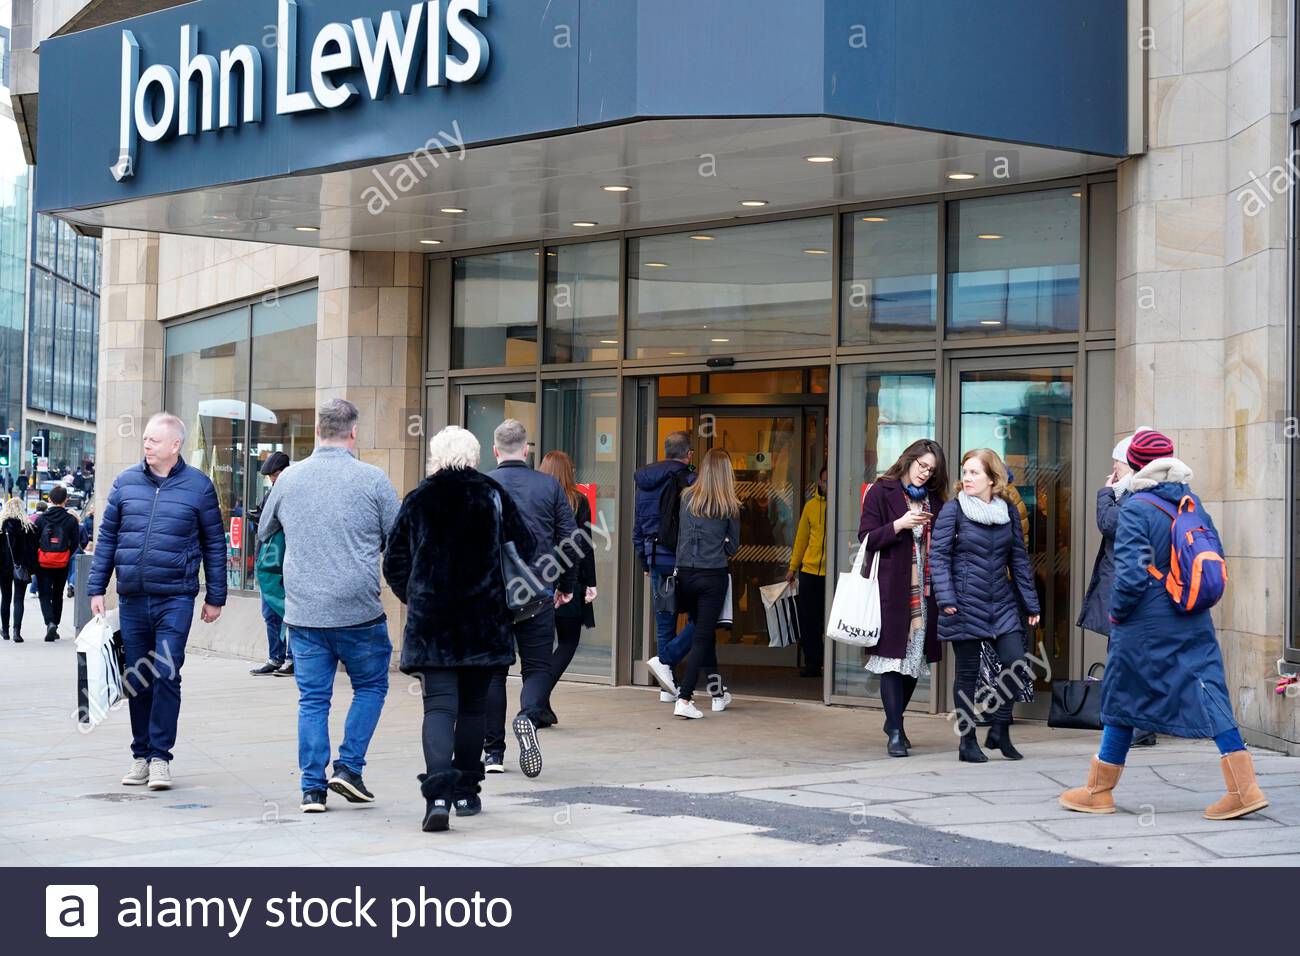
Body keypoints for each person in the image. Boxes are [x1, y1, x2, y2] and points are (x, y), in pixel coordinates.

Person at [1060, 431, 1269, 820]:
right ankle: (1244, 787)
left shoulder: (1137, 507)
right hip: (1192, 615)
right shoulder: (1191, 502)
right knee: (1209, 689)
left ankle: (1098, 790)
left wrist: (1117, 614)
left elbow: (1131, 573)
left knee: (1122, 694)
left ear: (1137, 466)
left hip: (1145, 620)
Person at [384, 427, 537, 831]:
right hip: (483, 622)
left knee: (437, 707)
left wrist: (417, 597)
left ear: (435, 455)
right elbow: (528, 548)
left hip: (433, 624)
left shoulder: (418, 498)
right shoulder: (491, 494)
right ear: (474, 456)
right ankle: (468, 790)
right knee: (473, 708)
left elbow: (394, 563)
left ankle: (437, 794)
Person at [257, 399, 401, 814]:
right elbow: (397, 535)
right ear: (353, 433)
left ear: (317, 431)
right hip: (359, 609)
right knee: (371, 686)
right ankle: (349, 767)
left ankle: (312, 789)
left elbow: (266, 529)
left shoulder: (290, 479)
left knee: (313, 700)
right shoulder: (373, 480)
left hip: (304, 612)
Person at [89, 413, 227, 791]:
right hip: (133, 598)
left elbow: (215, 544)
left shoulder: (198, 487)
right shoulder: (126, 482)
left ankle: (161, 758)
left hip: (176, 597)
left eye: (153, 440)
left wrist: (216, 596)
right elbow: (108, 537)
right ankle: (141, 755)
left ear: (175, 445)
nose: (146, 445)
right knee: (137, 679)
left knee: (166, 672)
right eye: (145, 439)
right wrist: (96, 588)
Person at [929, 448, 1040, 763]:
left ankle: (1000, 729)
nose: (967, 478)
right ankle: (967, 742)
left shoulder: (1006, 511)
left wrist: (1030, 603)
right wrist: (946, 597)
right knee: (968, 673)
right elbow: (938, 556)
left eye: (975, 472)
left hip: (1001, 602)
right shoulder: (954, 511)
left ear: (993, 479)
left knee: (1016, 664)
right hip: (964, 602)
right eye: (965, 472)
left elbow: (1018, 559)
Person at [483, 419, 577, 778]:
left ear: (495, 450)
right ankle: (527, 716)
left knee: (493, 673)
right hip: (537, 593)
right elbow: (570, 540)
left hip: (492, 596)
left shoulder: (483, 486)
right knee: (536, 668)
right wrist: (566, 585)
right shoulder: (549, 485)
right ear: (526, 450)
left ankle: (493, 754)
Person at [857, 440, 949, 757]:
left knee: (913, 662)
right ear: (908, 460)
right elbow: (866, 538)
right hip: (890, 591)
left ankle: (894, 719)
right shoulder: (882, 491)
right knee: (892, 662)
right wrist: (900, 524)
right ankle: (895, 731)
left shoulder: (935, 500)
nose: (925, 473)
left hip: (925, 593)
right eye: (921, 465)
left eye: (931, 470)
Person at [1077, 427, 1156, 748]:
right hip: (1125, 589)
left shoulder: (1135, 496)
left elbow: (1112, 525)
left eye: (1118, 465)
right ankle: (1132, 723)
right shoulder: (1130, 493)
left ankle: (1132, 725)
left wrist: (1104, 493)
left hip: (1130, 592)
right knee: (1126, 657)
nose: (1113, 471)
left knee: (1127, 658)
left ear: (1132, 466)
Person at [671, 448, 740, 719]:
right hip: (712, 575)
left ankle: (717, 693)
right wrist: (719, 543)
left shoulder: (686, 498)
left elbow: (680, 538)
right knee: (702, 636)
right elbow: (733, 545)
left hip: (686, 573)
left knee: (704, 633)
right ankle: (685, 698)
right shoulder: (730, 505)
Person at [534, 451, 597, 727]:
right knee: (569, 641)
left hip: (537, 582)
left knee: (544, 646)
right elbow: (584, 545)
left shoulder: (534, 498)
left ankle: (541, 706)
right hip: (569, 581)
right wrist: (591, 583)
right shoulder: (578, 500)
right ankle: (538, 697)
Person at [635, 431, 695, 702]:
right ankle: (667, 664)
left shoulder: (645, 482)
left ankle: (666, 688)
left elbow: (638, 526)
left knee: (664, 621)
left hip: (656, 558)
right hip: (685, 559)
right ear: (688, 454)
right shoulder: (689, 480)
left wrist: (644, 560)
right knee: (702, 617)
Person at [248, 451, 294, 677]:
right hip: (269, 560)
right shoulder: (271, 493)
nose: (272, 479)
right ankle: (276, 657)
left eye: (275, 474)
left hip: (287, 561)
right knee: (270, 612)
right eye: (270, 476)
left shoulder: (293, 491)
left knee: (289, 611)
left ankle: (292, 659)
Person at [786, 465, 828, 678]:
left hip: (832, 574)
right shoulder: (811, 506)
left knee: (828, 621)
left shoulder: (843, 506)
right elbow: (801, 539)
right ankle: (813, 662)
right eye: (824, 481)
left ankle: (830, 664)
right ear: (819, 482)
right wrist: (793, 567)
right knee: (809, 620)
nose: (827, 485)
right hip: (810, 571)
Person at [33, 485, 81, 642]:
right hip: (62, 561)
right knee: (58, 594)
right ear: (66, 500)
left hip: (43, 562)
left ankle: (50, 622)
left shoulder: (41, 519)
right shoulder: (71, 520)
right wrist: (66, 552)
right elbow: (75, 542)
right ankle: (56, 624)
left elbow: (34, 541)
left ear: (50, 500)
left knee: (44, 594)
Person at [0, 496, 37, 642]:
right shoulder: (28, 527)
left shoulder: (1, 528)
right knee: (19, 599)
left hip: (3, 569)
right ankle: (17, 631)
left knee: (5, 599)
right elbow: (33, 551)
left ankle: (5, 631)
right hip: (21, 568)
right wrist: (31, 569)